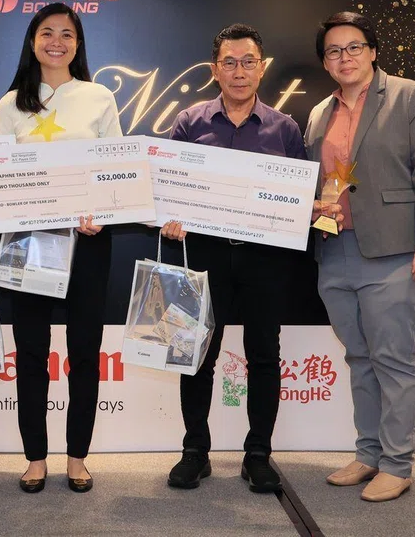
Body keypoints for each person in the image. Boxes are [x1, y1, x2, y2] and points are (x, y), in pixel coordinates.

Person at [306, 11, 415, 502]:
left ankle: (397, 463)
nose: (344, 57)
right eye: (333, 51)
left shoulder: (410, 96)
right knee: (360, 358)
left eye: (353, 47)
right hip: (334, 249)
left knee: (395, 359)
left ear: (372, 51)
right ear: (324, 63)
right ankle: (368, 454)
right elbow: (319, 181)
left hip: (396, 251)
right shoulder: (319, 113)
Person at [161, 24, 306, 494]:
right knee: (197, 354)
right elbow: (169, 190)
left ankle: (258, 454)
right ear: (214, 69)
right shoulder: (190, 122)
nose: (239, 71)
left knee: (265, 355)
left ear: (262, 68)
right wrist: (171, 216)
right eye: (229, 62)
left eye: (248, 62)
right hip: (205, 255)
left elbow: (299, 202)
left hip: (265, 259)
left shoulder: (285, 129)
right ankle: (194, 452)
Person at [0, 3, 122, 493]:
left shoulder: (97, 97)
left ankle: (77, 456)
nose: (56, 41)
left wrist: (101, 213)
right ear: (32, 41)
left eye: (67, 34)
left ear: (78, 43)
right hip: (30, 245)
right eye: (47, 32)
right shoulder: (10, 105)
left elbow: (116, 169)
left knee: (85, 352)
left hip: (88, 242)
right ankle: (34, 457)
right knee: (30, 352)